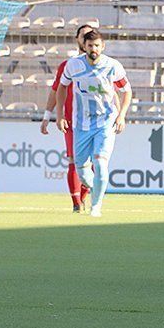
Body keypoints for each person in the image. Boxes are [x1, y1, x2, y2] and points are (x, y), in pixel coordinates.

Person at [56, 30, 132, 218]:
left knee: (100, 163)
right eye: (90, 46)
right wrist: (59, 115)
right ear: (85, 46)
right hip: (81, 124)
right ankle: (96, 185)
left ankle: (96, 206)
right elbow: (62, 87)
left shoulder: (112, 66)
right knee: (82, 169)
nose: (94, 49)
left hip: (105, 122)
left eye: (97, 46)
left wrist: (121, 115)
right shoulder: (73, 66)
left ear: (102, 46)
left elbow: (127, 91)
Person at [40, 24, 95, 212]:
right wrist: (49, 115)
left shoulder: (104, 65)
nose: (87, 38)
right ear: (78, 40)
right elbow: (57, 90)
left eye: (90, 35)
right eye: (84, 35)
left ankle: (84, 197)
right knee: (73, 160)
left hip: (96, 121)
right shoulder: (68, 65)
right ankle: (76, 203)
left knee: (94, 162)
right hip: (73, 121)